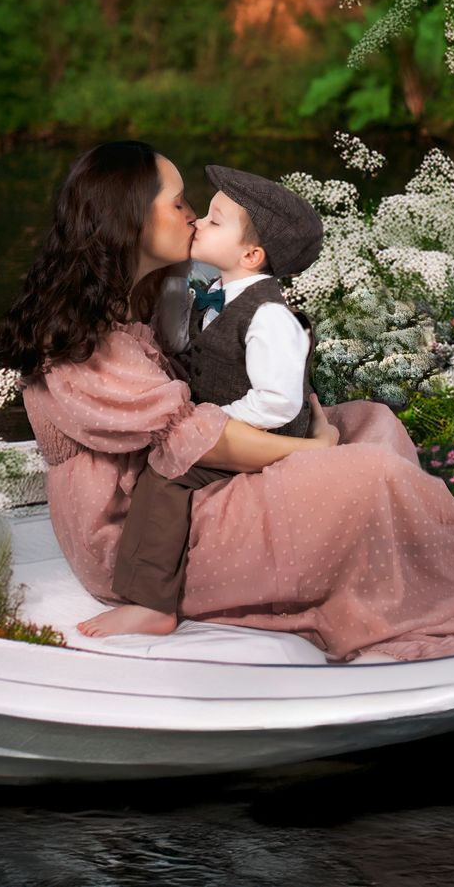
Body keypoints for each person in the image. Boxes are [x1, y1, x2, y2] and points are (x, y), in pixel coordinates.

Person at [0, 141, 454, 661]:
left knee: (373, 422)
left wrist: (303, 409)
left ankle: (434, 548)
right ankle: (453, 560)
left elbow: (227, 375)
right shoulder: (78, 345)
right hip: (142, 537)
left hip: (190, 484)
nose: (191, 215)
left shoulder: (154, 291)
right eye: (178, 203)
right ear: (128, 218)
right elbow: (198, 439)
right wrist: (311, 450)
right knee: (363, 474)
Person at [101, 165, 324, 635]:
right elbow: (192, 347)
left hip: (263, 434)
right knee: (162, 458)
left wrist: (213, 419)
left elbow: (279, 403)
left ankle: (153, 603)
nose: (198, 221)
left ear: (251, 254)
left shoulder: (269, 316)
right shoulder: (219, 293)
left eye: (214, 220)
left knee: (166, 475)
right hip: (228, 422)